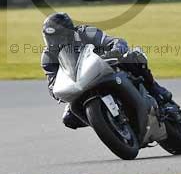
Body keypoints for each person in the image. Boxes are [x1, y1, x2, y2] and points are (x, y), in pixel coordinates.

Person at [40, 12, 172, 129]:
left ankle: (155, 88)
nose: (55, 42)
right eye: (50, 38)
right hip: (79, 83)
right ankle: (107, 124)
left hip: (105, 67)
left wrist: (117, 47)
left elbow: (113, 41)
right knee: (69, 119)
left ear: (70, 31)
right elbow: (53, 84)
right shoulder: (48, 57)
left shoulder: (86, 32)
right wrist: (57, 92)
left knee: (132, 58)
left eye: (59, 37)